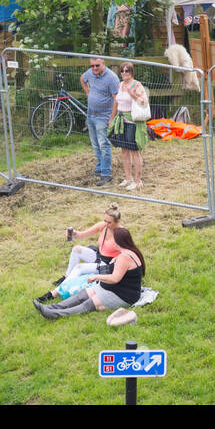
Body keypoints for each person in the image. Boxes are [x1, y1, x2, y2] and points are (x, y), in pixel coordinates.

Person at [34, 227, 145, 319]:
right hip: (113, 288)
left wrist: (96, 276)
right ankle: (51, 307)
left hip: (122, 295)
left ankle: (53, 314)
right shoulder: (127, 252)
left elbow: (115, 278)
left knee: (87, 304)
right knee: (81, 296)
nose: (111, 242)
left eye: (113, 239)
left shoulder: (125, 257)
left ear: (119, 241)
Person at [81, 58, 120, 186]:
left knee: (104, 144)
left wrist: (112, 118)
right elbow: (83, 78)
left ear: (104, 64)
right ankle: (100, 167)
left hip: (104, 117)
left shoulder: (112, 78)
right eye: (92, 66)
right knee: (95, 144)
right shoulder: (91, 73)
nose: (94, 68)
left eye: (97, 65)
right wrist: (88, 92)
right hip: (91, 114)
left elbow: (116, 99)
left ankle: (106, 173)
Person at [112, 63, 149, 192]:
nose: (124, 72)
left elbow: (143, 102)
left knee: (134, 151)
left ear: (132, 72)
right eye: (122, 70)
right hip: (122, 121)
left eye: (127, 70)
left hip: (133, 122)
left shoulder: (137, 85)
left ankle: (138, 181)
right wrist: (112, 118)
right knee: (124, 150)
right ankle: (128, 178)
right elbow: (116, 102)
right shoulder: (120, 85)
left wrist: (132, 94)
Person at [62, 204, 123, 281]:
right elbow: (82, 234)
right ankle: (67, 277)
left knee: (79, 267)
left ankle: (61, 289)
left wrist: (116, 260)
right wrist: (74, 233)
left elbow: (129, 253)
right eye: (105, 221)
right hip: (99, 256)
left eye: (109, 222)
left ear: (118, 221)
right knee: (76, 249)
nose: (106, 224)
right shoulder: (103, 226)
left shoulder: (122, 233)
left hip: (108, 264)